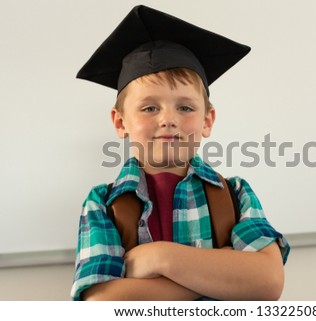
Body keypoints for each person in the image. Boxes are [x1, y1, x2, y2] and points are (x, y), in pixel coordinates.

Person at [71, 5, 290, 301]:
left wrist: (159, 257)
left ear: (207, 121)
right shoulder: (103, 204)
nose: (168, 119)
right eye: (150, 108)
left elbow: (267, 282)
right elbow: (101, 302)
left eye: (185, 107)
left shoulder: (236, 194)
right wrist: (221, 277)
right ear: (120, 122)